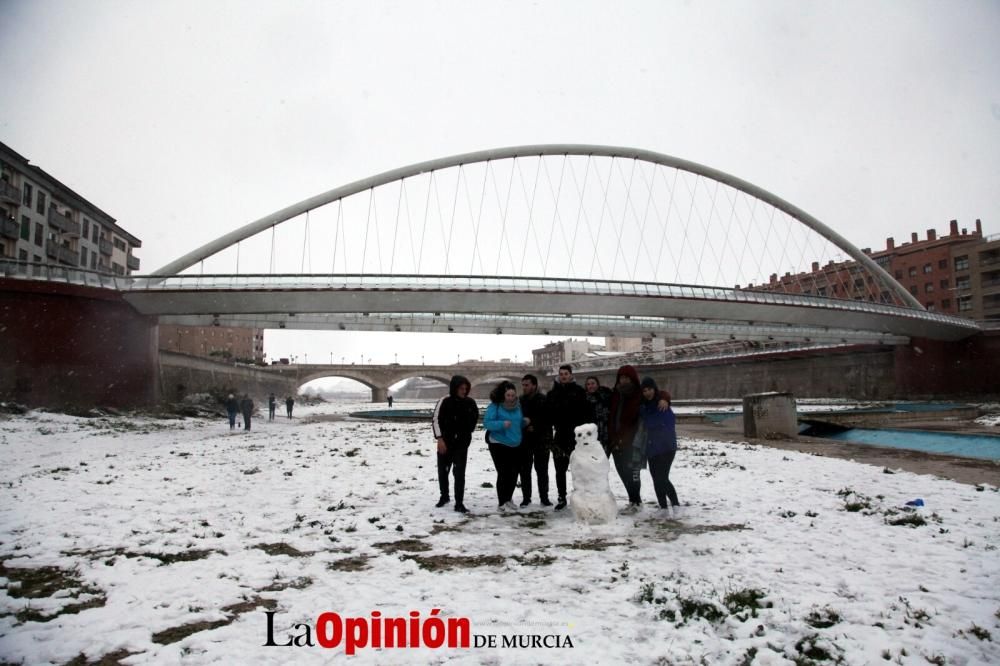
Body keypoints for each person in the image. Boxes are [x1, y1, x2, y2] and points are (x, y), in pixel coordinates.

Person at [607, 365, 670, 512]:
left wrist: (665, 399)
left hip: (632, 442)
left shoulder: (638, 394)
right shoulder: (615, 394)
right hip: (616, 441)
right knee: (622, 472)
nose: (624, 380)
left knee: (632, 474)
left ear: (632, 378)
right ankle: (632, 500)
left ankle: (637, 501)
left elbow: (658, 393)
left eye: (627, 378)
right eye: (621, 378)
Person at [431, 375, 479, 513]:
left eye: (466, 388)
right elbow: (435, 420)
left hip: (461, 445)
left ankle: (459, 502)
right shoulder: (444, 401)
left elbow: (474, 419)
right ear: (454, 388)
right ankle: (444, 496)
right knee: (443, 471)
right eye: (461, 388)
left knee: (459, 474)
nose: (464, 391)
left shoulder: (470, 403)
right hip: (445, 443)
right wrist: (440, 439)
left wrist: (466, 434)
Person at [545, 364, 590, 511]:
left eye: (566, 374)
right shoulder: (552, 394)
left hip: (576, 438)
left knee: (578, 470)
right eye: (561, 374)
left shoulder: (579, 392)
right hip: (559, 437)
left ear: (571, 375)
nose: (563, 376)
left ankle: (580, 497)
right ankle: (561, 497)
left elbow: (585, 414)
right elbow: (548, 417)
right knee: (560, 469)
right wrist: (550, 439)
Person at [638, 377, 681, 516]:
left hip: (666, 447)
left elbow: (668, 422)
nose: (647, 393)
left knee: (662, 477)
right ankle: (663, 508)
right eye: (644, 390)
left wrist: (651, 425)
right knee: (655, 477)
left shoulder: (662, 403)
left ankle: (675, 505)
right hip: (652, 448)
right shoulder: (643, 406)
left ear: (654, 389)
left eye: (649, 389)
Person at [484, 380, 525, 512]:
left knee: (513, 473)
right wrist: (501, 424)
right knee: (503, 473)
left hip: (515, 443)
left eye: (513, 395)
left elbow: (517, 422)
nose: (511, 398)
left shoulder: (518, 406)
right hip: (498, 443)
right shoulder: (495, 406)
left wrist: (524, 422)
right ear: (503, 395)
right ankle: (502, 502)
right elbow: (487, 423)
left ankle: (508, 499)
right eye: (508, 395)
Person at [518, 374, 552, 507]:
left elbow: (548, 419)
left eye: (527, 385)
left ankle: (544, 497)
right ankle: (526, 498)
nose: (524, 387)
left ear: (534, 385)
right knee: (525, 470)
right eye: (523, 385)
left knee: (542, 470)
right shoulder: (520, 400)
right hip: (525, 441)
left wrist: (534, 425)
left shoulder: (543, 400)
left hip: (541, 440)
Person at [584, 376, 613, 456]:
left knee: (603, 461)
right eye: (588, 384)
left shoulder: (606, 396)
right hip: (590, 436)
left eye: (593, 383)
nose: (590, 386)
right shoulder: (584, 400)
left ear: (597, 384)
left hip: (605, 434)